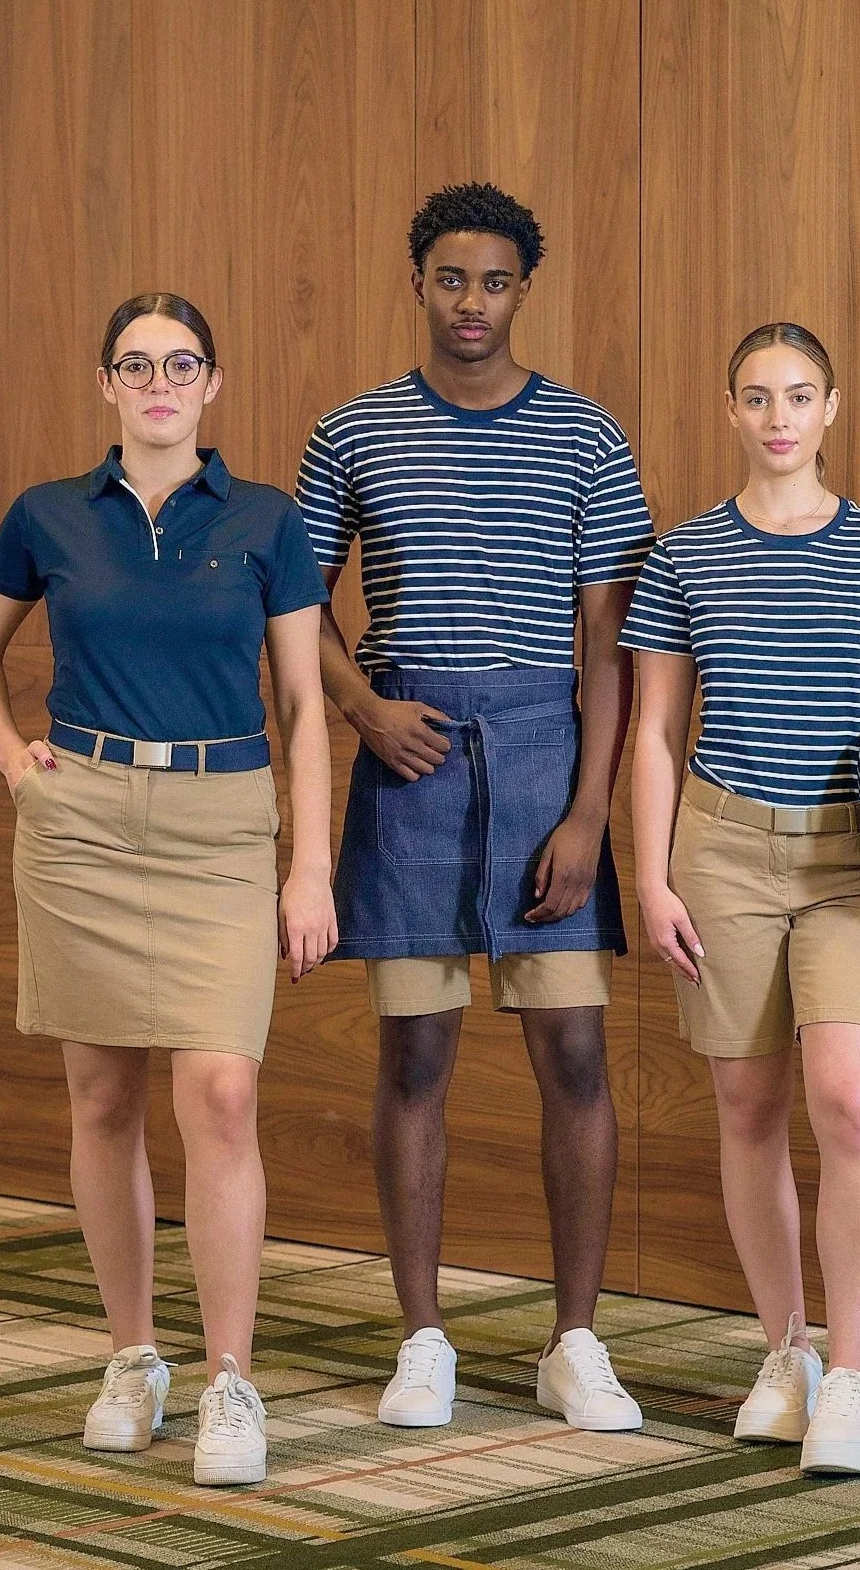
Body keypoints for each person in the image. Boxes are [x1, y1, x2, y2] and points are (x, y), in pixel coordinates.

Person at [0, 292, 335, 1487]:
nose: (158, 384)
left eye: (180, 365)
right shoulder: (48, 514)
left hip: (224, 821)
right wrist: (13, 761)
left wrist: (310, 866)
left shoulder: (266, 519)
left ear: (212, 383)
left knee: (220, 1094)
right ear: (107, 384)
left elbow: (304, 706)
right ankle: (133, 1359)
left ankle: (231, 1379)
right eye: (136, 365)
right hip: (83, 825)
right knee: (102, 1096)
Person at [296, 182, 654, 1432]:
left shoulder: (588, 437)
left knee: (575, 1054)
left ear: (522, 291)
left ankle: (576, 1342)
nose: (472, 302)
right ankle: (423, 1339)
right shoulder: (351, 431)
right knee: (415, 1054)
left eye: (495, 282)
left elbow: (610, 648)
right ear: (418, 282)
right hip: (411, 758)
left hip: (549, 755)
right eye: (451, 278)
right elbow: (293, 607)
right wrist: (361, 708)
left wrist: (588, 811)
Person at [622, 321, 860, 1476]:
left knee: (850, 1104)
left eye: (801, 395)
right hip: (722, 851)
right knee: (746, 1108)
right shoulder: (685, 556)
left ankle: (853, 1381)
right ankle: (788, 1353)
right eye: (760, 397)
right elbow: (656, 730)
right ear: (732, 410)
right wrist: (651, 873)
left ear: (832, 409)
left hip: (858, 861)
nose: (780, 417)